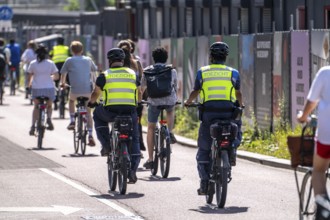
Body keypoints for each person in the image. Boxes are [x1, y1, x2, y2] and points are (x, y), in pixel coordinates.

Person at [184, 42, 243, 195]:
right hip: (228, 113)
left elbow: (196, 91)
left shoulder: (202, 72)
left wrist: (188, 102)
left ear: (211, 57)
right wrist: (241, 105)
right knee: (236, 128)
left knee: (204, 148)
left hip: (209, 114)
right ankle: (232, 152)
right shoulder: (233, 73)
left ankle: (204, 182)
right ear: (226, 57)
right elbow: (238, 94)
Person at [88, 48, 141, 183]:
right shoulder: (133, 74)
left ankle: (106, 145)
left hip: (110, 112)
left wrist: (91, 103)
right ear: (123, 60)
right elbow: (139, 93)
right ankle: (133, 171)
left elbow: (96, 93)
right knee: (134, 138)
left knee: (97, 116)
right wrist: (138, 107)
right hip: (130, 111)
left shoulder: (105, 75)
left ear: (110, 61)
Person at [297, 66, 330, 220]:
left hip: (327, 137)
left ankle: (324, 210)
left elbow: (311, 102)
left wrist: (303, 116)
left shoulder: (325, 72)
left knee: (318, 170)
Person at [141, 46, 178, 169]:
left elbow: (142, 88)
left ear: (153, 58)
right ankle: (170, 132)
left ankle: (151, 159)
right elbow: (174, 86)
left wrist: (142, 99)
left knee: (151, 128)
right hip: (169, 99)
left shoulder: (147, 70)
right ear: (166, 58)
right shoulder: (171, 70)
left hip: (154, 102)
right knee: (170, 110)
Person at [60, 41, 97, 146]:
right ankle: (90, 134)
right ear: (82, 50)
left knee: (71, 100)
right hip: (87, 90)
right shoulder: (88, 60)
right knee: (88, 113)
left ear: (72, 50)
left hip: (75, 90)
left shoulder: (69, 60)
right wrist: (94, 86)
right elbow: (94, 73)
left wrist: (63, 83)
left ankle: (72, 120)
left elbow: (63, 73)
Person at [117, 39, 146, 152]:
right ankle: (139, 146)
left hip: (118, 98)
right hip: (135, 99)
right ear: (131, 49)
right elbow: (142, 80)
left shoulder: (116, 64)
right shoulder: (137, 63)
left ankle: (114, 146)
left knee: (116, 123)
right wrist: (142, 96)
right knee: (136, 122)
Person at [28, 44, 59, 135]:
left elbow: (30, 76)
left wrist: (29, 84)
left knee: (36, 107)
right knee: (49, 105)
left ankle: (33, 126)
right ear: (46, 54)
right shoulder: (50, 63)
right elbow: (56, 76)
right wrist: (50, 78)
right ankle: (49, 119)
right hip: (49, 89)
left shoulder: (33, 63)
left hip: (36, 88)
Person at [49, 37, 70, 110]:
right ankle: (67, 96)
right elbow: (70, 56)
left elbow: (50, 56)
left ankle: (55, 101)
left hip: (56, 66)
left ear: (57, 42)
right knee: (68, 81)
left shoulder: (54, 48)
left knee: (55, 82)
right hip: (65, 66)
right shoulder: (66, 48)